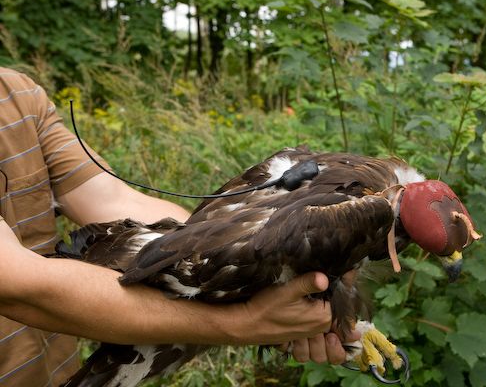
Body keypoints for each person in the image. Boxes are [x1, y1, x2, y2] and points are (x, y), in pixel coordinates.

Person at [0, 67, 357, 387]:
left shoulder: (17, 93)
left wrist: (257, 273)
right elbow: (17, 285)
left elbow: (111, 199)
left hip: (52, 372)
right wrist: (240, 322)